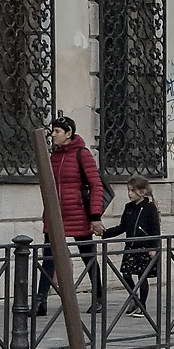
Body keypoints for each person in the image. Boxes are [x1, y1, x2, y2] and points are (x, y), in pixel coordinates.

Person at [33, 115, 108, 313]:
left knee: (88, 256)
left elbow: (96, 184)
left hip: (78, 214)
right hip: (54, 215)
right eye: (53, 131)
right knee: (49, 258)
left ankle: (99, 297)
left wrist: (95, 216)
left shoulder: (82, 154)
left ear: (69, 134)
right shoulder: (54, 155)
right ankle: (40, 302)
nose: (53, 134)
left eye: (57, 131)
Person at [105, 178, 161, 316]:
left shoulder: (150, 208)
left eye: (132, 190)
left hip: (144, 247)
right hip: (131, 246)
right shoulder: (128, 207)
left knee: (142, 277)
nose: (129, 194)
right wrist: (105, 233)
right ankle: (134, 298)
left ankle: (142, 306)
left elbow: (155, 229)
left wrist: (154, 247)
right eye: (128, 190)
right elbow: (122, 227)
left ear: (142, 192)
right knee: (126, 274)